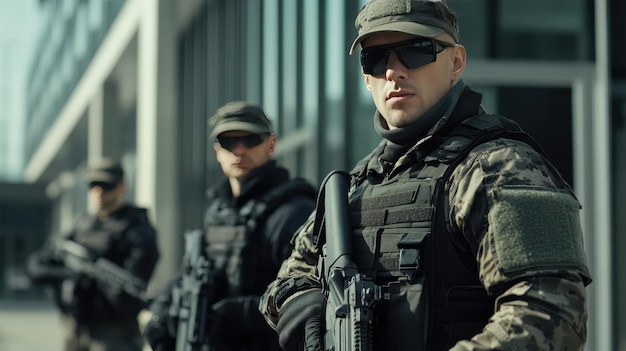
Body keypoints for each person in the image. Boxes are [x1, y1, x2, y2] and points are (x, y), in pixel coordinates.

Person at [259, 0, 593, 350]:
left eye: (416, 51)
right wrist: (301, 302)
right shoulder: (356, 186)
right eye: (376, 58)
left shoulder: (498, 168)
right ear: (365, 78)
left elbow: (552, 316)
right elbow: (284, 281)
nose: (393, 72)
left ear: (456, 62)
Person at [144, 101, 317, 351]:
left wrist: (235, 314)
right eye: (228, 142)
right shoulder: (219, 209)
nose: (239, 150)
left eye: (250, 140)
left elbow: (305, 298)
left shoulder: (293, 211)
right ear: (217, 150)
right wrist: (161, 310)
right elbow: (189, 273)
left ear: (271, 144)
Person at [26, 158, 160, 351]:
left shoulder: (138, 232)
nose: (99, 192)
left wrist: (96, 277)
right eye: (93, 185)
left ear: (121, 187)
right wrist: (68, 275)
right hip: (77, 331)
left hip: (114, 334)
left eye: (106, 185)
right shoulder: (83, 225)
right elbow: (35, 266)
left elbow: (131, 298)